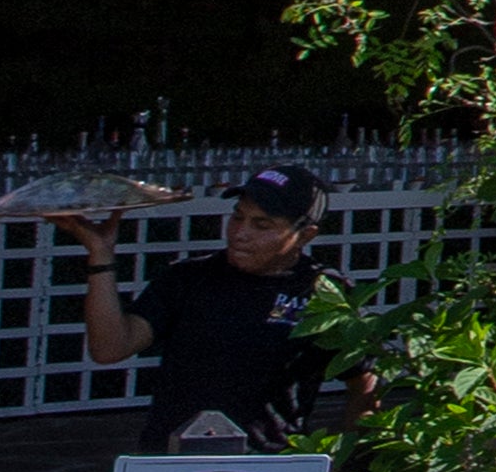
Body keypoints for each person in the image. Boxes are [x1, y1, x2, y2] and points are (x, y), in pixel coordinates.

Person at [60, 166, 345, 441]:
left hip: (269, 465)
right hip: (174, 457)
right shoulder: (188, 278)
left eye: (262, 225)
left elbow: (366, 383)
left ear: (305, 236)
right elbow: (110, 348)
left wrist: (346, 469)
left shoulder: (323, 292)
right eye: (237, 217)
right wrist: (101, 255)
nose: (240, 233)